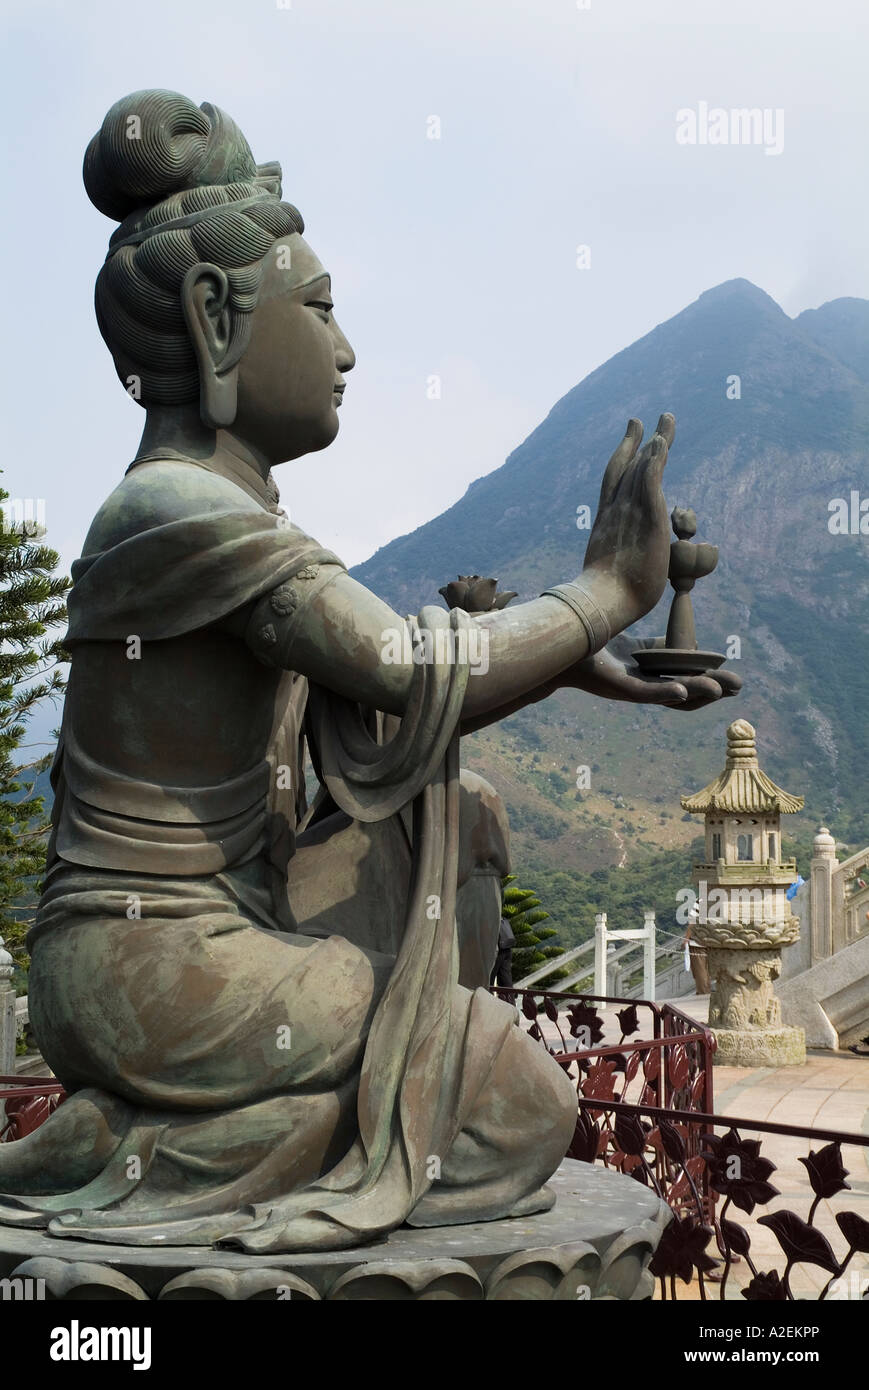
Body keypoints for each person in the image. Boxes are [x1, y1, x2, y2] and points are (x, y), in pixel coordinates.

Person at [0, 91, 738, 1254]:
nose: (345, 351)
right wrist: (604, 590)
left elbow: (377, 662)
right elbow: (401, 665)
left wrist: (591, 669)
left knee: (449, 1002)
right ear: (212, 315)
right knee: (505, 1089)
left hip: (202, 943)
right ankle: (166, 1148)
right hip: (143, 956)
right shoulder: (176, 510)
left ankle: (192, 1138)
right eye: (322, 309)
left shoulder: (220, 510)